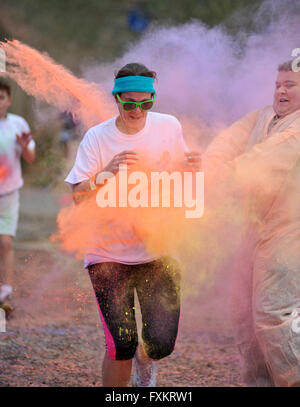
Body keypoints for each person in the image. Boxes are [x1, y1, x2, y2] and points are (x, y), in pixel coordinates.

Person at [65, 62, 200, 387]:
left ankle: (145, 363)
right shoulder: (97, 138)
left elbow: (182, 178)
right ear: (116, 99)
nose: (138, 110)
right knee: (120, 344)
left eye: (146, 102)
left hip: (158, 251)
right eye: (130, 103)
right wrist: (105, 173)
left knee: (161, 344)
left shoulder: (169, 126)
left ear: (153, 98)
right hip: (108, 255)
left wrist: (193, 168)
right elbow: (78, 196)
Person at [203, 60, 300, 386]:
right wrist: (207, 167)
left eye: (291, 84)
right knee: (243, 315)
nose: (281, 90)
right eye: (278, 84)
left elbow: (261, 162)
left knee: (274, 316)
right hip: (253, 228)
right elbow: (226, 141)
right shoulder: (262, 116)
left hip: (289, 232)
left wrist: (214, 182)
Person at [0, 79, 36, 309]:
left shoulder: (18, 124)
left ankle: (6, 292)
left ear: (9, 100)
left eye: (1, 98)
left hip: (9, 193)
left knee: (5, 242)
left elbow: (31, 158)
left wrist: (23, 147)